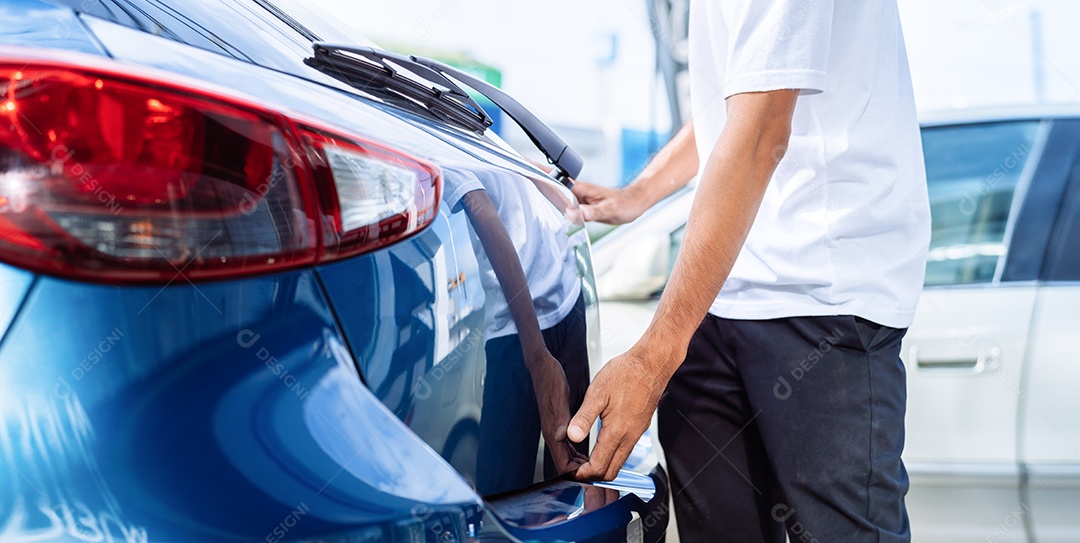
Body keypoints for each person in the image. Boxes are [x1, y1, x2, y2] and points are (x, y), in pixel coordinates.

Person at [564, 2, 931, 542]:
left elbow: (760, 130)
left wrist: (652, 356)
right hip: (719, 299)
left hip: (822, 299)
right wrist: (638, 194)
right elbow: (737, 100)